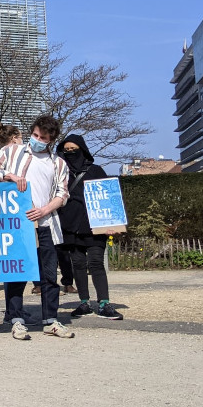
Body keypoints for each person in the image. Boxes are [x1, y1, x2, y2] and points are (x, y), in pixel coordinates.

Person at [0, 114, 74, 341]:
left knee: (48, 274)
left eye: (42, 137)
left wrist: (45, 210)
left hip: (46, 223)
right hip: (18, 224)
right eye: (35, 135)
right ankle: (16, 320)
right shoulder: (12, 151)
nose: (36, 140)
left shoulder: (58, 163)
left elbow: (62, 194)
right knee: (17, 272)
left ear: (51, 140)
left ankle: (50, 320)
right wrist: (11, 176)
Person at [58, 135, 123, 321]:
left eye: (74, 149)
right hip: (70, 224)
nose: (70, 153)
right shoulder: (60, 172)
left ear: (83, 150)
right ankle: (84, 302)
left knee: (96, 263)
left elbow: (108, 197)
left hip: (94, 224)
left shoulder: (96, 170)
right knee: (77, 264)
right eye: (67, 150)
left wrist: (111, 223)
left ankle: (104, 302)